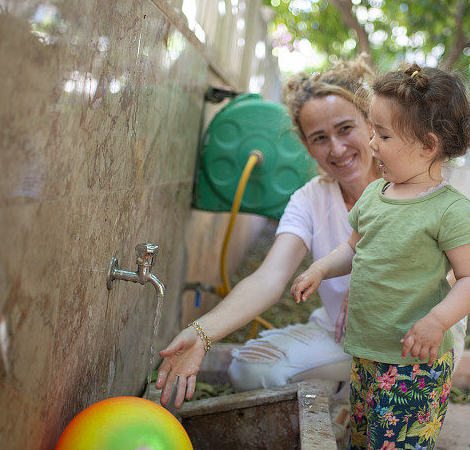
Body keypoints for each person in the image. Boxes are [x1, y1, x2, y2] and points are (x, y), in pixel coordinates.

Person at [155, 57, 379, 408]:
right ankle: (339, 393)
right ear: (306, 147)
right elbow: (270, 278)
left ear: (370, 124)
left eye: (345, 129)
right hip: (339, 336)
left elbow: (453, 273)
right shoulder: (310, 199)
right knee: (250, 370)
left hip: (410, 340)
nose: (336, 148)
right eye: (320, 138)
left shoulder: (406, 185)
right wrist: (202, 333)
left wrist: (377, 289)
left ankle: (365, 398)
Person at [291, 64, 470, 450]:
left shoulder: (450, 210)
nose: (372, 142)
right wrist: (320, 268)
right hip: (367, 353)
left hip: (416, 364)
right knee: (364, 439)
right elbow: (352, 248)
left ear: (428, 145)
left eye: (382, 134)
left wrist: (437, 320)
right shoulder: (376, 194)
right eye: (372, 131)